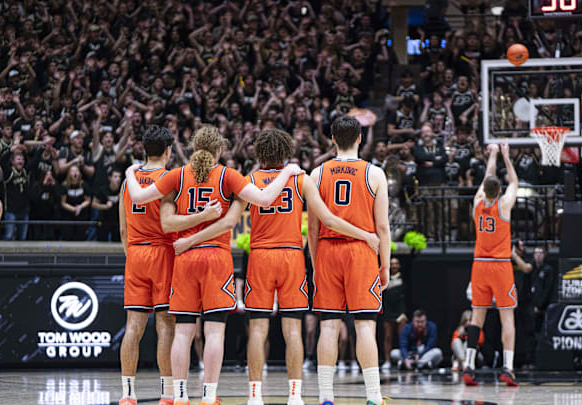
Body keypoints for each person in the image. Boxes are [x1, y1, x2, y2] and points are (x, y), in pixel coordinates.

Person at [180, 128, 378, 405]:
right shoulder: (300, 179)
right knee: (293, 331)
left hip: (260, 257)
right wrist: (366, 235)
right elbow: (329, 221)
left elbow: (228, 220)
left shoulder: (249, 179)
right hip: (291, 257)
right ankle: (295, 396)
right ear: (287, 152)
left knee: (258, 331)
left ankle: (255, 396)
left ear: (258, 152)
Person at [124, 125, 303, 405]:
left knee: (184, 331)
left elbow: (137, 197)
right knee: (214, 331)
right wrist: (288, 173)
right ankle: (208, 396)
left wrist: (128, 174)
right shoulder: (228, 175)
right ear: (220, 149)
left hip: (184, 259)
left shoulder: (178, 175)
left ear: (194, 147)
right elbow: (266, 198)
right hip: (216, 257)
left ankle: (179, 396)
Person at [308, 116, 391, 405]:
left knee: (329, 326)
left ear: (332, 139)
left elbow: (313, 229)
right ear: (359, 139)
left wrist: (317, 264)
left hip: (328, 251)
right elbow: (382, 228)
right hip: (361, 252)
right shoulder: (375, 174)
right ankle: (373, 396)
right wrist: (386, 265)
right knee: (365, 326)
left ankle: (326, 397)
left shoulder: (316, 174)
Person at [118, 126, 197, 405]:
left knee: (133, 326)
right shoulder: (171, 180)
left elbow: (123, 231)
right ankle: (166, 394)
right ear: (168, 151)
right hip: (163, 253)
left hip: (136, 254)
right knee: (166, 325)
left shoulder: (129, 182)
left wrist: (134, 256)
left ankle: (128, 394)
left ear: (143, 149)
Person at [463, 142, 519, 387]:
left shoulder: (477, 203)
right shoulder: (503, 205)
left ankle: (468, 365)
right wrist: (506, 156)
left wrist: (493, 154)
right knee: (507, 318)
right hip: (500, 265)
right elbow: (515, 183)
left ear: (483, 190)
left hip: (479, 265)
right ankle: (508, 368)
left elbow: (488, 178)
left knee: (477, 318)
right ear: (499, 191)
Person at [380, 257, 408, 371]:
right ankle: (387, 361)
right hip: (388, 312)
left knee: (402, 337)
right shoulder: (385, 278)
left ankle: (403, 359)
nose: (394, 266)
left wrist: (403, 312)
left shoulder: (404, 278)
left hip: (400, 312)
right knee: (388, 337)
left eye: (396, 263)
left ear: (400, 265)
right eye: (392, 264)